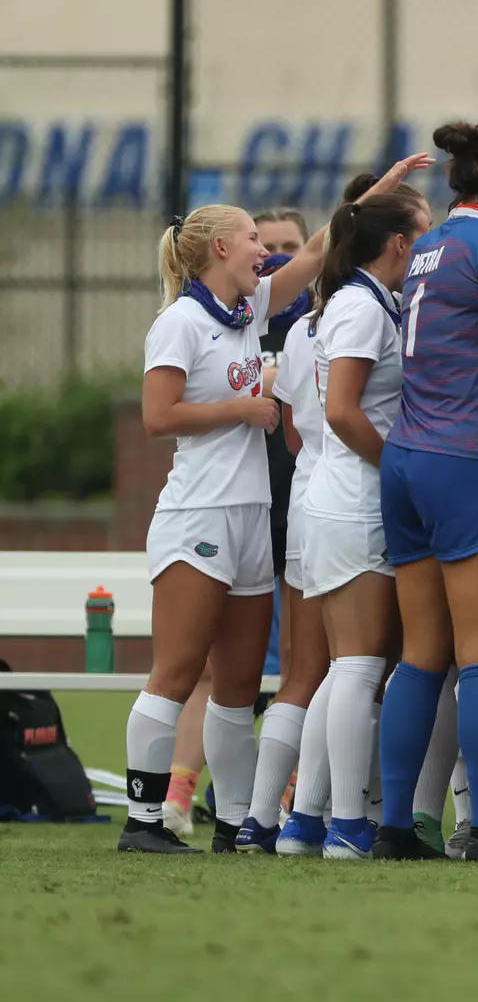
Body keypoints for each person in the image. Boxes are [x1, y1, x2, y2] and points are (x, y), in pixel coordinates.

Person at [120, 203, 327, 853]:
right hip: (198, 514)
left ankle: (236, 824)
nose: (264, 251)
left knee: (239, 686)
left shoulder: (248, 310)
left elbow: (315, 255)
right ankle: (143, 820)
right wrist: (242, 407)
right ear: (218, 248)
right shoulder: (180, 321)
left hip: (251, 515)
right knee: (179, 672)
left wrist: (373, 196)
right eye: (252, 239)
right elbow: (158, 416)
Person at [372, 121, 478, 863]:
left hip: (408, 457)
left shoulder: (430, 244)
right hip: (472, 458)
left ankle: (395, 824)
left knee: (420, 654)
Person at [292, 191, 432, 861]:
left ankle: (304, 820)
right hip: (354, 499)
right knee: (358, 664)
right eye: (423, 234)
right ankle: (346, 823)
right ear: (399, 244)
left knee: (346, 666)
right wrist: (397, 465)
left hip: (348, 497)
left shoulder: (368, 301)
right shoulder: (360, 306)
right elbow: (343, 411)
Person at [236, 259, 327, 851]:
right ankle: (330, 816)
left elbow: (291, 436)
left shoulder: (301, 329)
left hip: (305, 499)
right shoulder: (383, 316)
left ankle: (262, 817)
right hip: (359, 503)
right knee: (360, 669)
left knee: (303, 672)